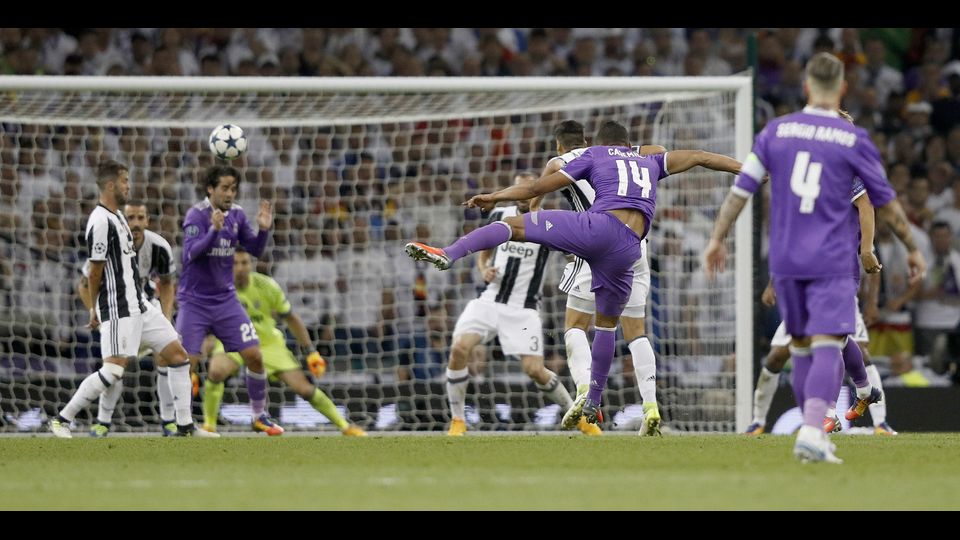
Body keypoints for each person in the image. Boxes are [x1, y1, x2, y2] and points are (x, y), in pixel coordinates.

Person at [406, 120, 740, 429]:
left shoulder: (591, 155)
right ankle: (595, 402)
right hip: (630, 250)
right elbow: (699, 156)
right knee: (609, 328)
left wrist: (494, 196)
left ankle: (449, 254)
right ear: (628, 143)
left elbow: (536, 188)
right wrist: (746, 170)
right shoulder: (649, 159)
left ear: (595, 142)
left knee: (512, 227)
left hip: (594, 230)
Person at [704, 53, 926, 463]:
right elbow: (887, 205)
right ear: (841, 88)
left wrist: (717, 237)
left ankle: (815, 431)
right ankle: (812, 430)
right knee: (828, 342)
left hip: (786, 260)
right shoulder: (851, 139)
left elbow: (742, 189)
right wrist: (912, 248)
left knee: (802, 346)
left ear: (805, 87)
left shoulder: (776, 130)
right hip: (831, 259)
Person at [545, 119, 740, 436]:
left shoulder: (564, 161)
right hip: (637, 247)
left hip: (594, 242)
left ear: (561, 145)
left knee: (575, 326)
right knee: (636, 331)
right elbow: (675, 152)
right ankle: (651, 405)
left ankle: (585, 390)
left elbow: (536, 195)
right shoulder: (637, 157)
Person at [48, 161, 214, 438]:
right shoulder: (100, 221)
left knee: (178, 357)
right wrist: (95, 309)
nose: (128, 185)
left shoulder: (118, 218)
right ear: (111, 185)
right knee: (113, 371)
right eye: (125, 181)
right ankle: (62, 419)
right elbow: (95, 269)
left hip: (141, 304)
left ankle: (185, 425)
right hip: (118, 308)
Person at [747, 181, 896, 436]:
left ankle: (829, 414)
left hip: (839, 270)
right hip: (805, 273)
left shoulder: (840, 168)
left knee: (829, 336)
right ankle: (864, 389)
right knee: (831, 337)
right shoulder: (798, 181)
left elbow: (866, 203)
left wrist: (867, 249)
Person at [444, 172, 573, 437]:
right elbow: (485, 249)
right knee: (459, 348)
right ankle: (457, 420)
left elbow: (572, 250)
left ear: (539, 192)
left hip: (523, 309)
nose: (525, 195)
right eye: (520, 189)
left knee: (535, 370)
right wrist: (483, 268)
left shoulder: (549, 222)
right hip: (490, 301)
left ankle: (578, 415)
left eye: (530, 189)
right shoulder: (500, 215)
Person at [200, 249, 367, 437]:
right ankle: (209, 426)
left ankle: (344, 426)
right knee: (215, 371)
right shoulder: (219, 288)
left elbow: (291, 318)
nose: (240, 268)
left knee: (304, 389)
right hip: (232, 341)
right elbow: (206, 319)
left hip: (268, 344)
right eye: (235, 263)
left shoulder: (266, 285)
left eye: (244, 263)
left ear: (251, 264)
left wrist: (311, 352)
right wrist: (206, 341)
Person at [176, 165, 283, 435]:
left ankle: (259, 416)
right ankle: (181, 421)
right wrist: (213, 231)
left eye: (233, 188)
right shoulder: (196, 215)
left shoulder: (236, 214)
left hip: (225, 301)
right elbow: (191, 254)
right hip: (195, 301)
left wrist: (263, 230)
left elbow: (255, 249)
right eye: (224, 188)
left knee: (254, 356)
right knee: (185, 363)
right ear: (210, 189)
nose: (229, 193)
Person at [77, 200, 182, 436]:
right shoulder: (108, 242)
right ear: (123, 220)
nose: (135, 223)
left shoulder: (157, 246)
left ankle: (168, 421)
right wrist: (97, 313)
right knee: (115, 368)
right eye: (131, 217)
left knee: (167, 355)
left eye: (140, 218)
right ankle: (103, 422)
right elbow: (84, 285)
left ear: (147, 221)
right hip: (118, 313)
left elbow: (166, 283)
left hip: (146, 311)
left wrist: (166, 317)